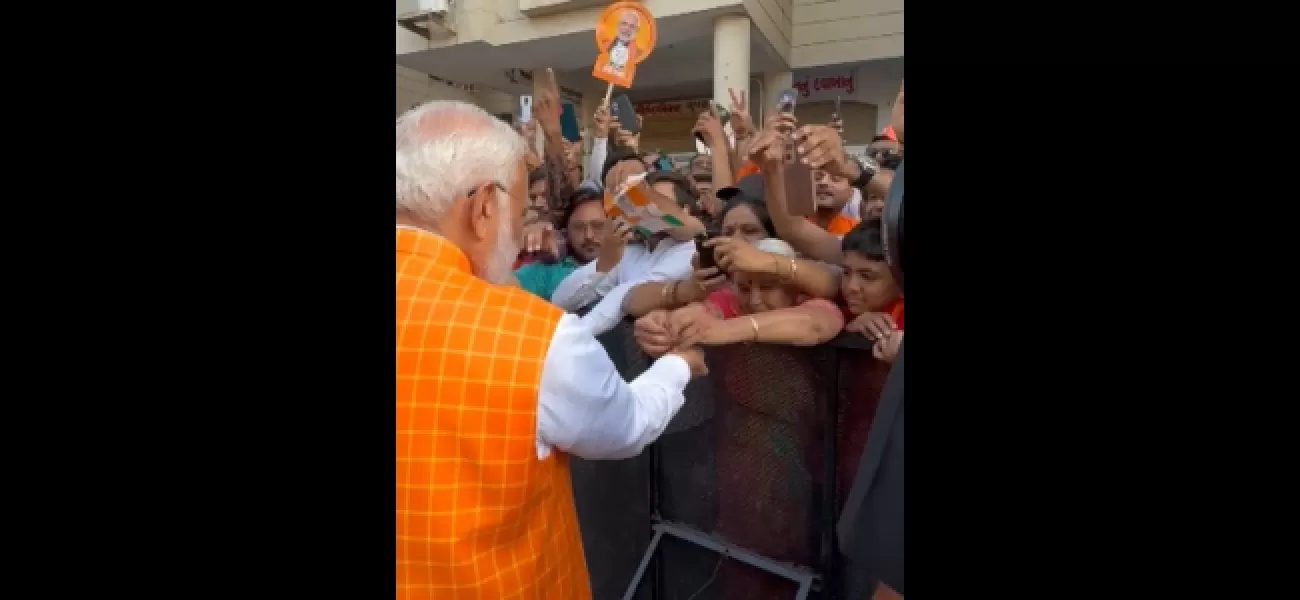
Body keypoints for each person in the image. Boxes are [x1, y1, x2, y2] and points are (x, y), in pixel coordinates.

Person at [395, 100, 708, 598]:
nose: (521, 231)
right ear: (481, 209)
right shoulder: (533, 336)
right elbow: (623, 427)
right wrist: (678, 366)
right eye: (518, 213)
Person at [550, 157, 704, 320]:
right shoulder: (632, 250)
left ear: (685, 211)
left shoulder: (692, 250)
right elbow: (561, 300)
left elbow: (627, 294)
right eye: (644, 202)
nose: (651, 209)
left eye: (660, 202)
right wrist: (604, 262)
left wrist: (580, 332)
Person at [514, 188, 618, 302]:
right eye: (578, 227)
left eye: (598, 226)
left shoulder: (629, 264)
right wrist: (518, 241)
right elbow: (501, 290)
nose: (589, 235)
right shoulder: (547, 271)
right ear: (566, 231)